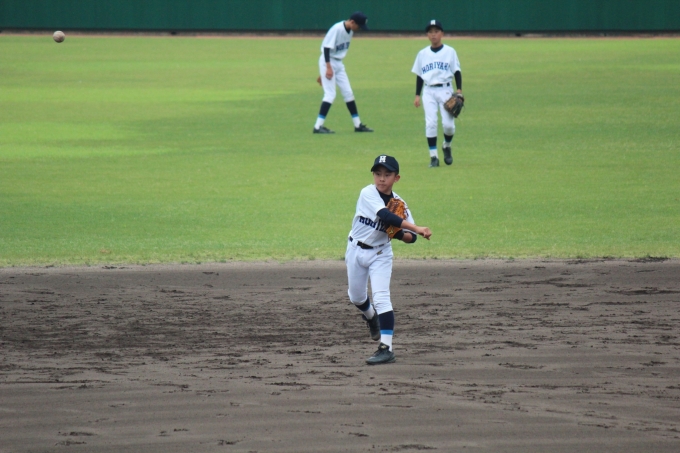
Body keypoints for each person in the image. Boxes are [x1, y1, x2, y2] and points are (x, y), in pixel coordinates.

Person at [346, 155, 432, 365]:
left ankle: (386, 348)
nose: (381, 179)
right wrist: (416, 227)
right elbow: (386, 216)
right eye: (378, 174)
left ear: (396, 178)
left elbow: (411, 239)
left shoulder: (400, 204)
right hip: (355, 249)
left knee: (382, 298)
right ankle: (371, 317)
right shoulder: (367, 193)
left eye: (387, 174)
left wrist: (398, 234)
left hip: (381, 254)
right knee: (356, 297)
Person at [412, 20, 463, 167]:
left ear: (442, 33)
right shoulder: (422, 54)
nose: (433, 35)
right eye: (430, 32)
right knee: (431, 123)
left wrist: (459, 90)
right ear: (427, 35)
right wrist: (417, 95)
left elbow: (457, 71)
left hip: (446, 90)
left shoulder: (450, 51)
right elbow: (420, 75)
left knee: (448, 126)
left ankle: (447, 145)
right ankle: (433, 157)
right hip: (428, 91)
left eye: (436, 31)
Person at [313, 11, 374, 134]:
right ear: (352, 22)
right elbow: (326, 48)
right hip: (328, 61)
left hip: (338, 63)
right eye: (359, 26)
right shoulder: (337, 29)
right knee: (330, 94)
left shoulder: (350, 30)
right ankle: (318, 126)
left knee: (348, 93)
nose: (359, 29)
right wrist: (327, 68)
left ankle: (358, 125)